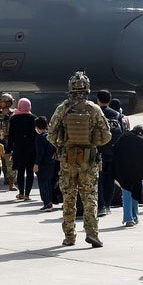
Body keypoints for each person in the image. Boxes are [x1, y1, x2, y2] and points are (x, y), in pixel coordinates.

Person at [48, 71, 111, 247]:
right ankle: (92, 233)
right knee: (90, 198)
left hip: (67, 161)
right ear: (87, 88)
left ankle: (69, 236)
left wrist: (63, 145)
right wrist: (92, 143)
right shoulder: (94, 109)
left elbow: (51, 135)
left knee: (69, 198)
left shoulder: (63, 108)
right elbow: (107, 136)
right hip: (89, 161)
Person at [113, 125, 143, 227]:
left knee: (127, 193)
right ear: (141, 133)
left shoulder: (123, 138)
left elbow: (114, 151)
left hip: (124, 172)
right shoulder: (141, 141)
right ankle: (135, 217)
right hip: (136, 172)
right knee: (135, 193)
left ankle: (128, 219)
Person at [95, 89, 125, 216]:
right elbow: (122, 133)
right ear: (109, 100)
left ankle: (101, 205)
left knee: (99, 180)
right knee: (110, 180)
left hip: (99, 152)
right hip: (113, 152)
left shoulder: (95, 114)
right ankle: (107, 205)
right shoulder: (117, 115)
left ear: (97, 100)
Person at [9, 98, 38, 200]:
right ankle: (27, 195)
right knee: (30, 173)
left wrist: (8, 150)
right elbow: (36, 136)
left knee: (20, 172)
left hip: (19, 150)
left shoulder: (14, 119)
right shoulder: (34, 119)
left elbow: (11, 136)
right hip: (31, 150)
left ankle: (21, 193)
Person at [33, 116, 58, 211]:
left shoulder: (39, 138)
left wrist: (36, 164)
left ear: (37, 127)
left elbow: (40, 153)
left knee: (43, 183)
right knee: (49, 183)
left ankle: (47, 203)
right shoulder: (50, 136)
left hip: (43, 164)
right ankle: (50, 201)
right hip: (51, 162)